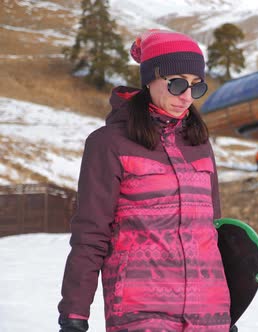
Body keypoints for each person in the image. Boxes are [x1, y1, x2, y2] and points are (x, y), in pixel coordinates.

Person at [57, 30, 232, 332]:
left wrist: (228, 307)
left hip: (209, 312)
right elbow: (91, 233)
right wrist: (75, 313)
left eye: (196, 86)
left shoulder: (199, 143)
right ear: (151, 78)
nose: (186, 97)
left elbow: (212, 232)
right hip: (141, 311)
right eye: (177, 83)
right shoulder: (109, 144)